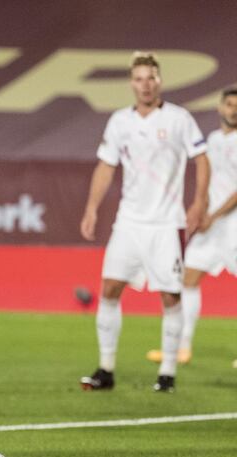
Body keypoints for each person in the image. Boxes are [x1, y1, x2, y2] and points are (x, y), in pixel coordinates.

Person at [79, 52, 210, 393]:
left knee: (170, 296)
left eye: (151, 78)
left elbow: (202, 158)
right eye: (139, 78)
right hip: (129, 222)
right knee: (109, 289)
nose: (145, 84)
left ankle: (167, 373)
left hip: (166, 223)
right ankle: (105, 369)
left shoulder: (180, 119)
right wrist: (92, 208)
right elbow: (106, 166)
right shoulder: (120, 121)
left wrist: (199, 201)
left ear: (159, 81)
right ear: (131, 83)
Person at [145, 87, 237, 366]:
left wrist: (214, 215)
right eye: (230, 104)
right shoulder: (213, 139)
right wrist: (201, 210)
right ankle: (182, 347)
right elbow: (211, 180)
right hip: (213, 224)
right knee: (188, 279)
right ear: (220, 108)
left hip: (232, 224)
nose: (234, 109)